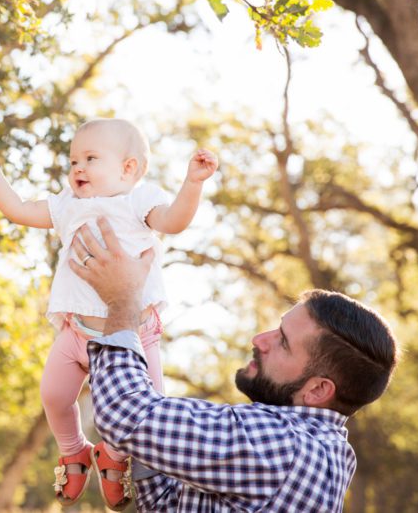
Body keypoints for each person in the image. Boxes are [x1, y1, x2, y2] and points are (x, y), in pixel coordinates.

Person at [0, 118, 218, 510]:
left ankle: (113, 455)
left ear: (128, 168)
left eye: (91, 158)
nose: (77, 167)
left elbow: (174, 222)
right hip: (76, 332)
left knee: (145, 412)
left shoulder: (137, 201)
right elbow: (20, 211)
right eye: (74, 159)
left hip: (133, 338)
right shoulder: (67, 204)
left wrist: (193, 183)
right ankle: (74, 448)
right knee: (54, 396)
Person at [68, 217, 398, 512]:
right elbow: (166, 506)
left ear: (318, 389)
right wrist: (143, 442)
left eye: (282, 341)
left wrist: (121, 300)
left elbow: (124, 414)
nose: (260, 339)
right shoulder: (319, 453)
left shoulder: (285, 449)